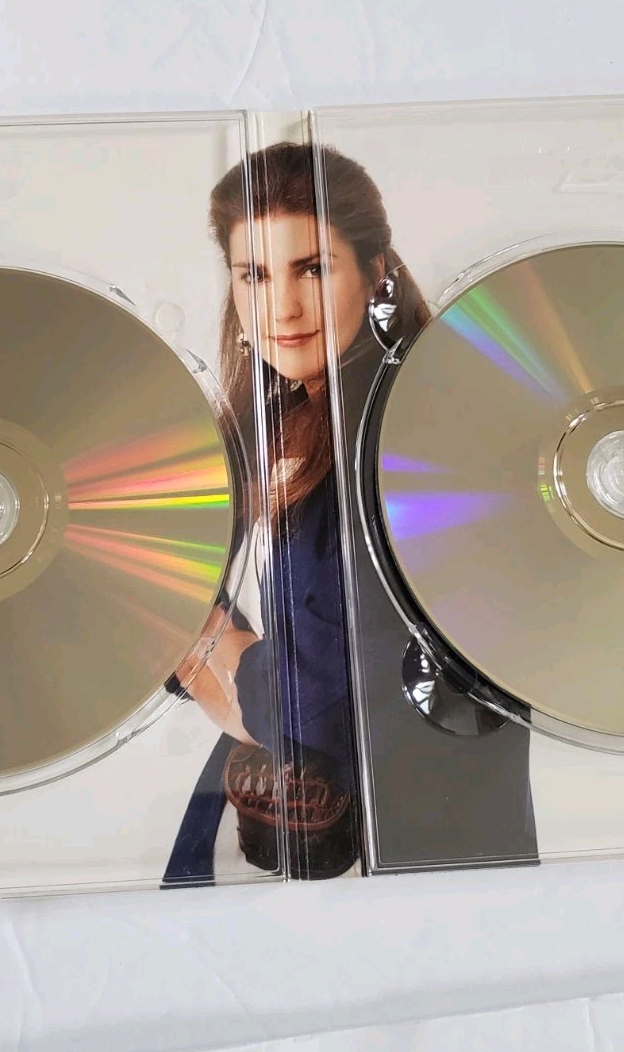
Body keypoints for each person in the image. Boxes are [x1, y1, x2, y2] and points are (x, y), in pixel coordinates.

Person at [163, 142, 433, 882]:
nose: (281, 306)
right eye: (254, 274)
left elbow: (308, 709)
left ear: (376, 272)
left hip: (391, 857)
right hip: (264, 831)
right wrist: (231, 658)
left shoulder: (398, 439)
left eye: (312, 268)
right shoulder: (277, 425)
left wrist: (208, 640)